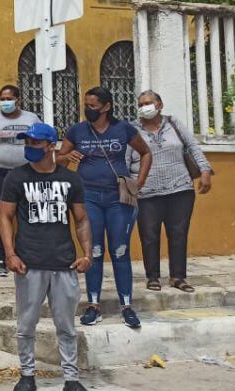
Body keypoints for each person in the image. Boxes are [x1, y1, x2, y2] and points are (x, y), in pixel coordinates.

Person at [0, 122, 96, 391]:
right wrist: (10, 254)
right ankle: (27, 375)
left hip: (64, 263)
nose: (29, 147)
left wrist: (87, 254)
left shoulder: (70, 180)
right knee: (26, 324)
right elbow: (5, 217)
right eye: (27, 142)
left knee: (66, 325)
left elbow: (81, 220)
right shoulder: (16, 178)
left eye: (35, 143)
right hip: (29, 263)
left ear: (51, 146)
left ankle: (72, 380)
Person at [58, 87, 152, 329]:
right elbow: (58, 159)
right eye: (86, 105)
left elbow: (145, 153)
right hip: (88, 197)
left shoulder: (123, 129)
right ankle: (93, 306)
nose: (88, 109)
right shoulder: (77, 130)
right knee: (94, 251)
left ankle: (127, 306)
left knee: (120, 250)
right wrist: (68, 157)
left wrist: (139, 183)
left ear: (107, 107)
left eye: (93, 106)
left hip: (118, 198)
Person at [130, 90, 213, 293]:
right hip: (146, 192)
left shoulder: (173, 123)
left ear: (159, 105)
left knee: (178, 233)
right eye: (141, 104)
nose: (144, 107)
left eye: (148, 103)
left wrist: (205, 171)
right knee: (149, 235)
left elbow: (193, 146)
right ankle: (152, 277)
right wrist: (128, 188)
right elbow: (124, 159)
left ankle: (178, 277)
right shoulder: (131, 130)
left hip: (180, 189)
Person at [0, 85, 41, 277]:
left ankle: (25, 256)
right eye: (2, 99)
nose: (5, 102)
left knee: (27, 213)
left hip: (26, 172)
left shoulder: (31, 118)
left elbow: (41, 142)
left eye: (9, 98)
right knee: (1, 213)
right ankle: (1, 259)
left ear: (18, 99)